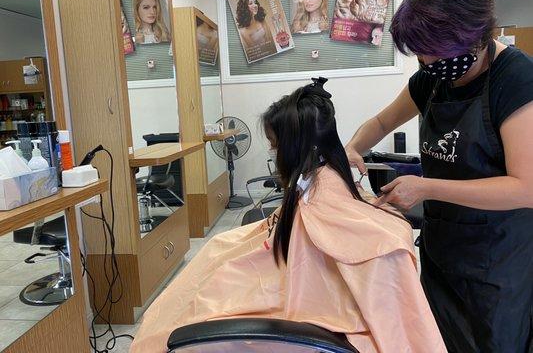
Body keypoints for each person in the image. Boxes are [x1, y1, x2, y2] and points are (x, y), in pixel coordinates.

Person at [130, 78, 447, 353]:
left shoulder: (321, 200)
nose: (271, 152)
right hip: (278, 259)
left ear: (294, 148)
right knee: (218, 251)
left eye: (273, 145)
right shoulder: (321, 180)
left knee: (184, 308)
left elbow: (366, 252)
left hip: (288, 291)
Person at [345, 0, 533, 353]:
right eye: (420, 54)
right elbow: (382, 121)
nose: (426, 62)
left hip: (497, 257)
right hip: (442, 247)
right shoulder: (432, 77)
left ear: (473, 37)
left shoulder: (515, 79)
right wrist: (351, 147)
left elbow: (525, 187)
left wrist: (426, 187)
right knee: (439, 338)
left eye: (433, 52)